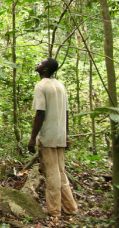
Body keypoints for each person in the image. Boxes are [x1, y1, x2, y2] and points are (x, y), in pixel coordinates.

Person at [27, 57, 78, 219]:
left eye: (40, 63)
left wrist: (33, 137)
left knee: (52, 174)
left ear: (45, 70)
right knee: (60, 172)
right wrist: (66, 134)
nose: (37, 63)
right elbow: (66, 113)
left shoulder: (41, 86)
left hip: (48, 137)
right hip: (60, 136)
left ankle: (54, 211)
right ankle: (70, 208)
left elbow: (40, 113)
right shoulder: (60, 85)